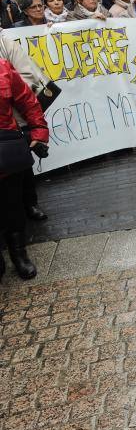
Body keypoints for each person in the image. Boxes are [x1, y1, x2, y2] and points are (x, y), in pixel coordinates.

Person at [0, 58, 49, 282]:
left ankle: (19, 255)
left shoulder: (2, 67)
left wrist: (39, 133)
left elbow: (28, 101)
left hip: (5, 152)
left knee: (13, 207)